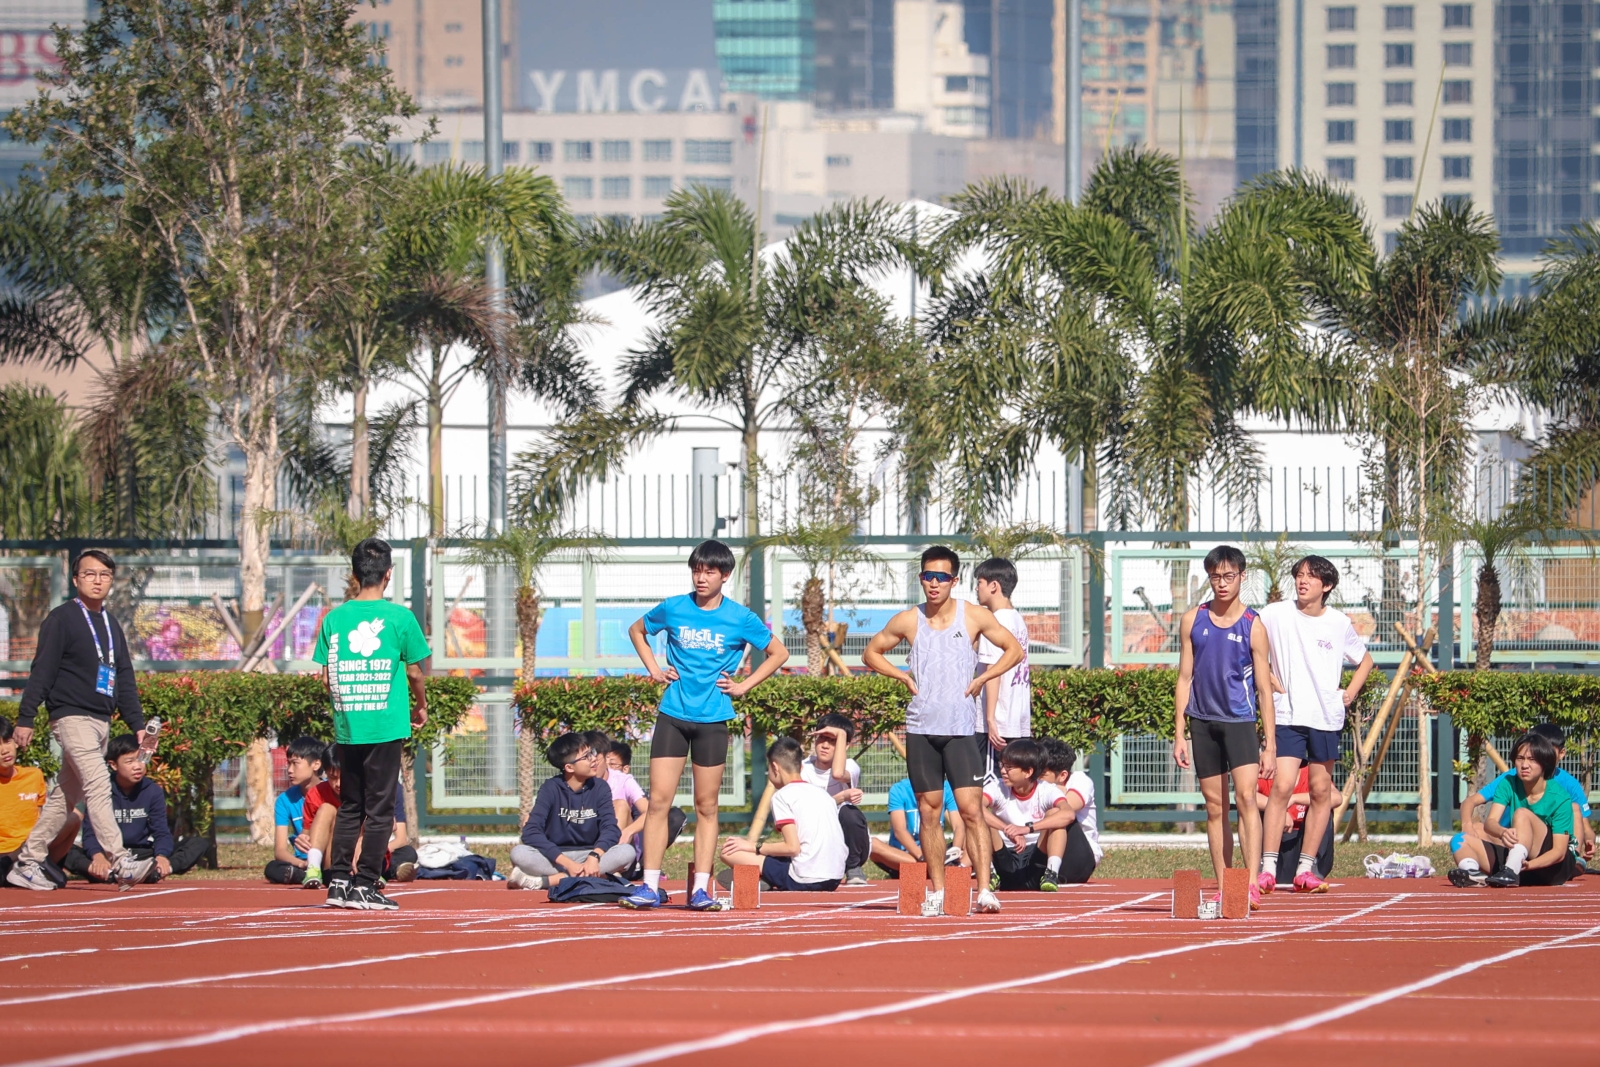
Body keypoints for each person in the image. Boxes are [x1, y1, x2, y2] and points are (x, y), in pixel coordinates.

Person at [620, 539, 789, 911]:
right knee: (658, 802)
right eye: (696, 570)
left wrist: (744, 685)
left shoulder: (740, 617)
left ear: (724, 575)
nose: (701, 578)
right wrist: (653, 668)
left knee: (707, 805)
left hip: (713, 721)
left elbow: (779, 652)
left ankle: (700, 890)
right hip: (673, 716)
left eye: (709, 571)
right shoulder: (674, 607)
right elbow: (636, 630)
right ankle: (649, 885)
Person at [863, 544, 1025, 916]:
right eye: (928, 576)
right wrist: (901, 676)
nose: (934, 584)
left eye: (941, 577)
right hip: (922, 729)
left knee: (971, 811)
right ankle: (936, 892)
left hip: (961, 730)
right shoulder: (909, 619)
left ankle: (984, 891)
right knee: (929, 811)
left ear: (954, 580)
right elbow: (871, 653)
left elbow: (1013, 650)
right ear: (921, 579)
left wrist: (983, 677)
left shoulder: (973, 615)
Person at [6, 549, 154, 891]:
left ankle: (27, 861)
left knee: (65, 795)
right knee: (99, 782)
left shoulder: (111, 625)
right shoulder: (61, 619)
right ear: (76, 580)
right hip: (70, 716)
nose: (97, 580)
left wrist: (138, 725)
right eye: (89, 574)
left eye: (104, 575)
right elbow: (42, 670)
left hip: (101, 719)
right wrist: (26, 717)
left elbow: (124, 678)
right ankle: (121, 859)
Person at [311, 537, 430, 911]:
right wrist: (421, 705)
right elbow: (415, 672)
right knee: (380, 809)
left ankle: (338, 883)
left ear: (354, 573)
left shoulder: (334, 619)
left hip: (349, 725)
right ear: (388, 574)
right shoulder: (400, 618)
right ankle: (365, 884)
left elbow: (326, 678)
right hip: (385, 724)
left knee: (351, 805)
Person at [1257, 555, 1374, 895]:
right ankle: (1267, 869)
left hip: (1325, 718)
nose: (1302, 581)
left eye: (1310, 576)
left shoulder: (1338, 623)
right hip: (1288, 717)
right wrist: (1268, 678)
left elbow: (1365, 661)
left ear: (1327, 585)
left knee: (1322, 791)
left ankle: (1306, 870)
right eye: (1299, 575)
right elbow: (1251, 646)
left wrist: (1349, 693)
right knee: (1281, 787)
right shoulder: (1274, 613)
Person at [1172, 545, 1275, 909]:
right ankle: (1224, 885)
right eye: (1215, 577)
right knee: (1215, 808)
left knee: (1246, 799)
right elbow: (1184, 678)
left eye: (1229, 576)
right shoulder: (1192, 620)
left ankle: (1250, 883)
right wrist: (1179, 732)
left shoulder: (1253, 625)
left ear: (1241, 577)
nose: (1222, 583)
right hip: (1202, 723)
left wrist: (1271, 745)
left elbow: (1264, 689)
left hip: (1240, 722)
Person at [65, 733, 208, 882]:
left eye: (141, 759)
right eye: (129, 761)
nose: (138, 766)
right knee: (60, 847)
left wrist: (162, 856)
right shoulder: (100, 790)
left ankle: (155, 872)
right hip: (109, 854)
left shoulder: (153, 791)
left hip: (141, 855)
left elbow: (161, 831)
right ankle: (104, 873)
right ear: (113, 765)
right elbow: (90, 832)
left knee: (198, 843)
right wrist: (97, 856)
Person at [1456, 723, 1594, 872]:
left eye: (1541, 751)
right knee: (1475, 829)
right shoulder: (1511, 779)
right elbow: (1470, 802)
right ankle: (1473, 871)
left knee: (1573, 808)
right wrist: (1467, 825)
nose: (1527, 762)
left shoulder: (1567, 785)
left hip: (1546, 843)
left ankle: (1573, 860)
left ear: (1560, 753)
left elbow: (1585, 827)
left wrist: (1589, 840)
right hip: (1511, 838)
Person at [510, 732, 635, 889]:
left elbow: (610, 828)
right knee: (519, 853)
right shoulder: (551, 788)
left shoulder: (601, 787)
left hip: (591, 855)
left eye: (592, 752)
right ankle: (599, 877)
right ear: (569, 767)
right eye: (586, 756)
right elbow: (531, 831)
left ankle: (549, 881)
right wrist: (567, 863)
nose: (594, 759)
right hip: (557, 858)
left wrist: (594, 856)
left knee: (626, 852)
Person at [718, 737, 845, 892]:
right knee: (774, 857)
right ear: (801, 767)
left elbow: (792, 848)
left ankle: (761, 878)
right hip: (835, 877)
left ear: (774, 767)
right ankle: (764, 877)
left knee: (729, 853)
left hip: (804, 878)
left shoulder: (782, 796)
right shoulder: (823, 794)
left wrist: (753, 846)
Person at [300, 744, 416, 888]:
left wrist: (363, 842)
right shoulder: (316, 793)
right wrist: (303, 839)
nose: (338, 784)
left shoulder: (376, 790)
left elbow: (392, 828)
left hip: (365, 853)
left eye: (343, 777)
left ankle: (371, 872)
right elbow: (306, 835)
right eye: (332, 777)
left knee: (408, 852)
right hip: (334, 862)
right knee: (327, 809)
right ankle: (314, 868)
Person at [983, 739, 1075, 891]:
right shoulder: (996, 786)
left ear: (1028, 772)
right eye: (1002, 765)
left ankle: (1051, 873)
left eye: (1009, 767)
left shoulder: (1047, 790)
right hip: (1004, 856)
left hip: (1035, 857)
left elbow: (1069, 814)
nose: (1003, 771)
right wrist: (1008, 829)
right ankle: (990, 873)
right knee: (980, 818)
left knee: (1055, 814)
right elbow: (975, 808)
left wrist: (1027, 829)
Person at [0, 714, 76, 888]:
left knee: (74, 817)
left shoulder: (34, 775)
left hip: (30, 850)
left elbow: (41, 820)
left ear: (15, 742)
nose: (4, 750)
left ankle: (41, 866)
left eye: (7, 741)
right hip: (4, 852)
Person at [973, 557, 1032, 771]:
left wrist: (990, 720)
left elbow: (993, 671)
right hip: (1016, 719)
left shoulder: (995, 622)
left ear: (994, 586)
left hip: (997, 724)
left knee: (987, 784)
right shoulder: (1017, 618)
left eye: (979, 583)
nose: (976, 588)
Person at [800, 714, 871, 885]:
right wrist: (841, 797)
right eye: (822, 738)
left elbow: (838, 774)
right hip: (814, 839)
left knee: (849, 813)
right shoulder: (802, 768)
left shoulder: (850, 766)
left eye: (833, 741)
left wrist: (841, 734)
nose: (825, 745)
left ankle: (852, 867)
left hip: (847, 842)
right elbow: (806, 811)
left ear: (845, 745)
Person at [265, 737, 329, 885]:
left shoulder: (332, 791)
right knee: (272, 868)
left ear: (316, 764)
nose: (289, 770)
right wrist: (302, 864)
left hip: (328, 857)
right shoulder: (284, 800)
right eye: (288, 763)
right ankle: (306, 874)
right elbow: (280, 851)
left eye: (295, 763)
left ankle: (320, 873)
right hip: (303, 861)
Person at [1254, 765, 1332, 885]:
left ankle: (1311, 865)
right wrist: (1279, 812)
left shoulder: (1310, 773)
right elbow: (1247, 795)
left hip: (1302, 838)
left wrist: (1294, 799)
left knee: (1325, 810)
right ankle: (1262, 865)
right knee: (1249, 810)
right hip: (1278, 840)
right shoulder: (1269, 772)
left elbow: (1336, 798)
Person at [871, 774, 963, 877]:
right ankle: (937, 867)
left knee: (970, 837)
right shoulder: (899, 789)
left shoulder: (946, 789)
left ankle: (951, 866)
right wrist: (922, 857)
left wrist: (956, 851)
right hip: (906, 855)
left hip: (937, 852)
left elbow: (958, 826)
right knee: (873, 844)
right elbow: (899, 831)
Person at [1038, 738, 1102, 883]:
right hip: (1042, 850)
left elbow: (1067, 808)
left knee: (1058, 815)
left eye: (1042, 774)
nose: (1036, 777)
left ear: (1062, 775)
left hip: (1079, 856)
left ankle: (1052, 872)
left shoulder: (1080, 780)